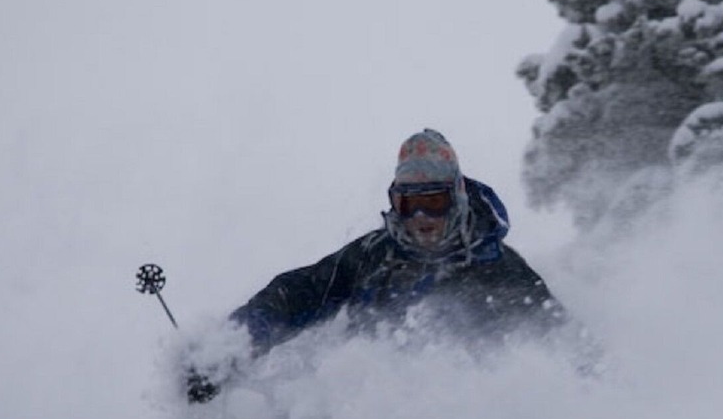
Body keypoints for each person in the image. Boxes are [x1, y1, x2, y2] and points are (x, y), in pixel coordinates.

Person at [185, 128, 569, 404]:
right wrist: (231, 348)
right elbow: (298, 293)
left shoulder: (501, 272)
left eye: (433, 202)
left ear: (457, 199)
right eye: (408, 203)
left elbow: (562, 345)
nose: (421, 217)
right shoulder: (374, 254)